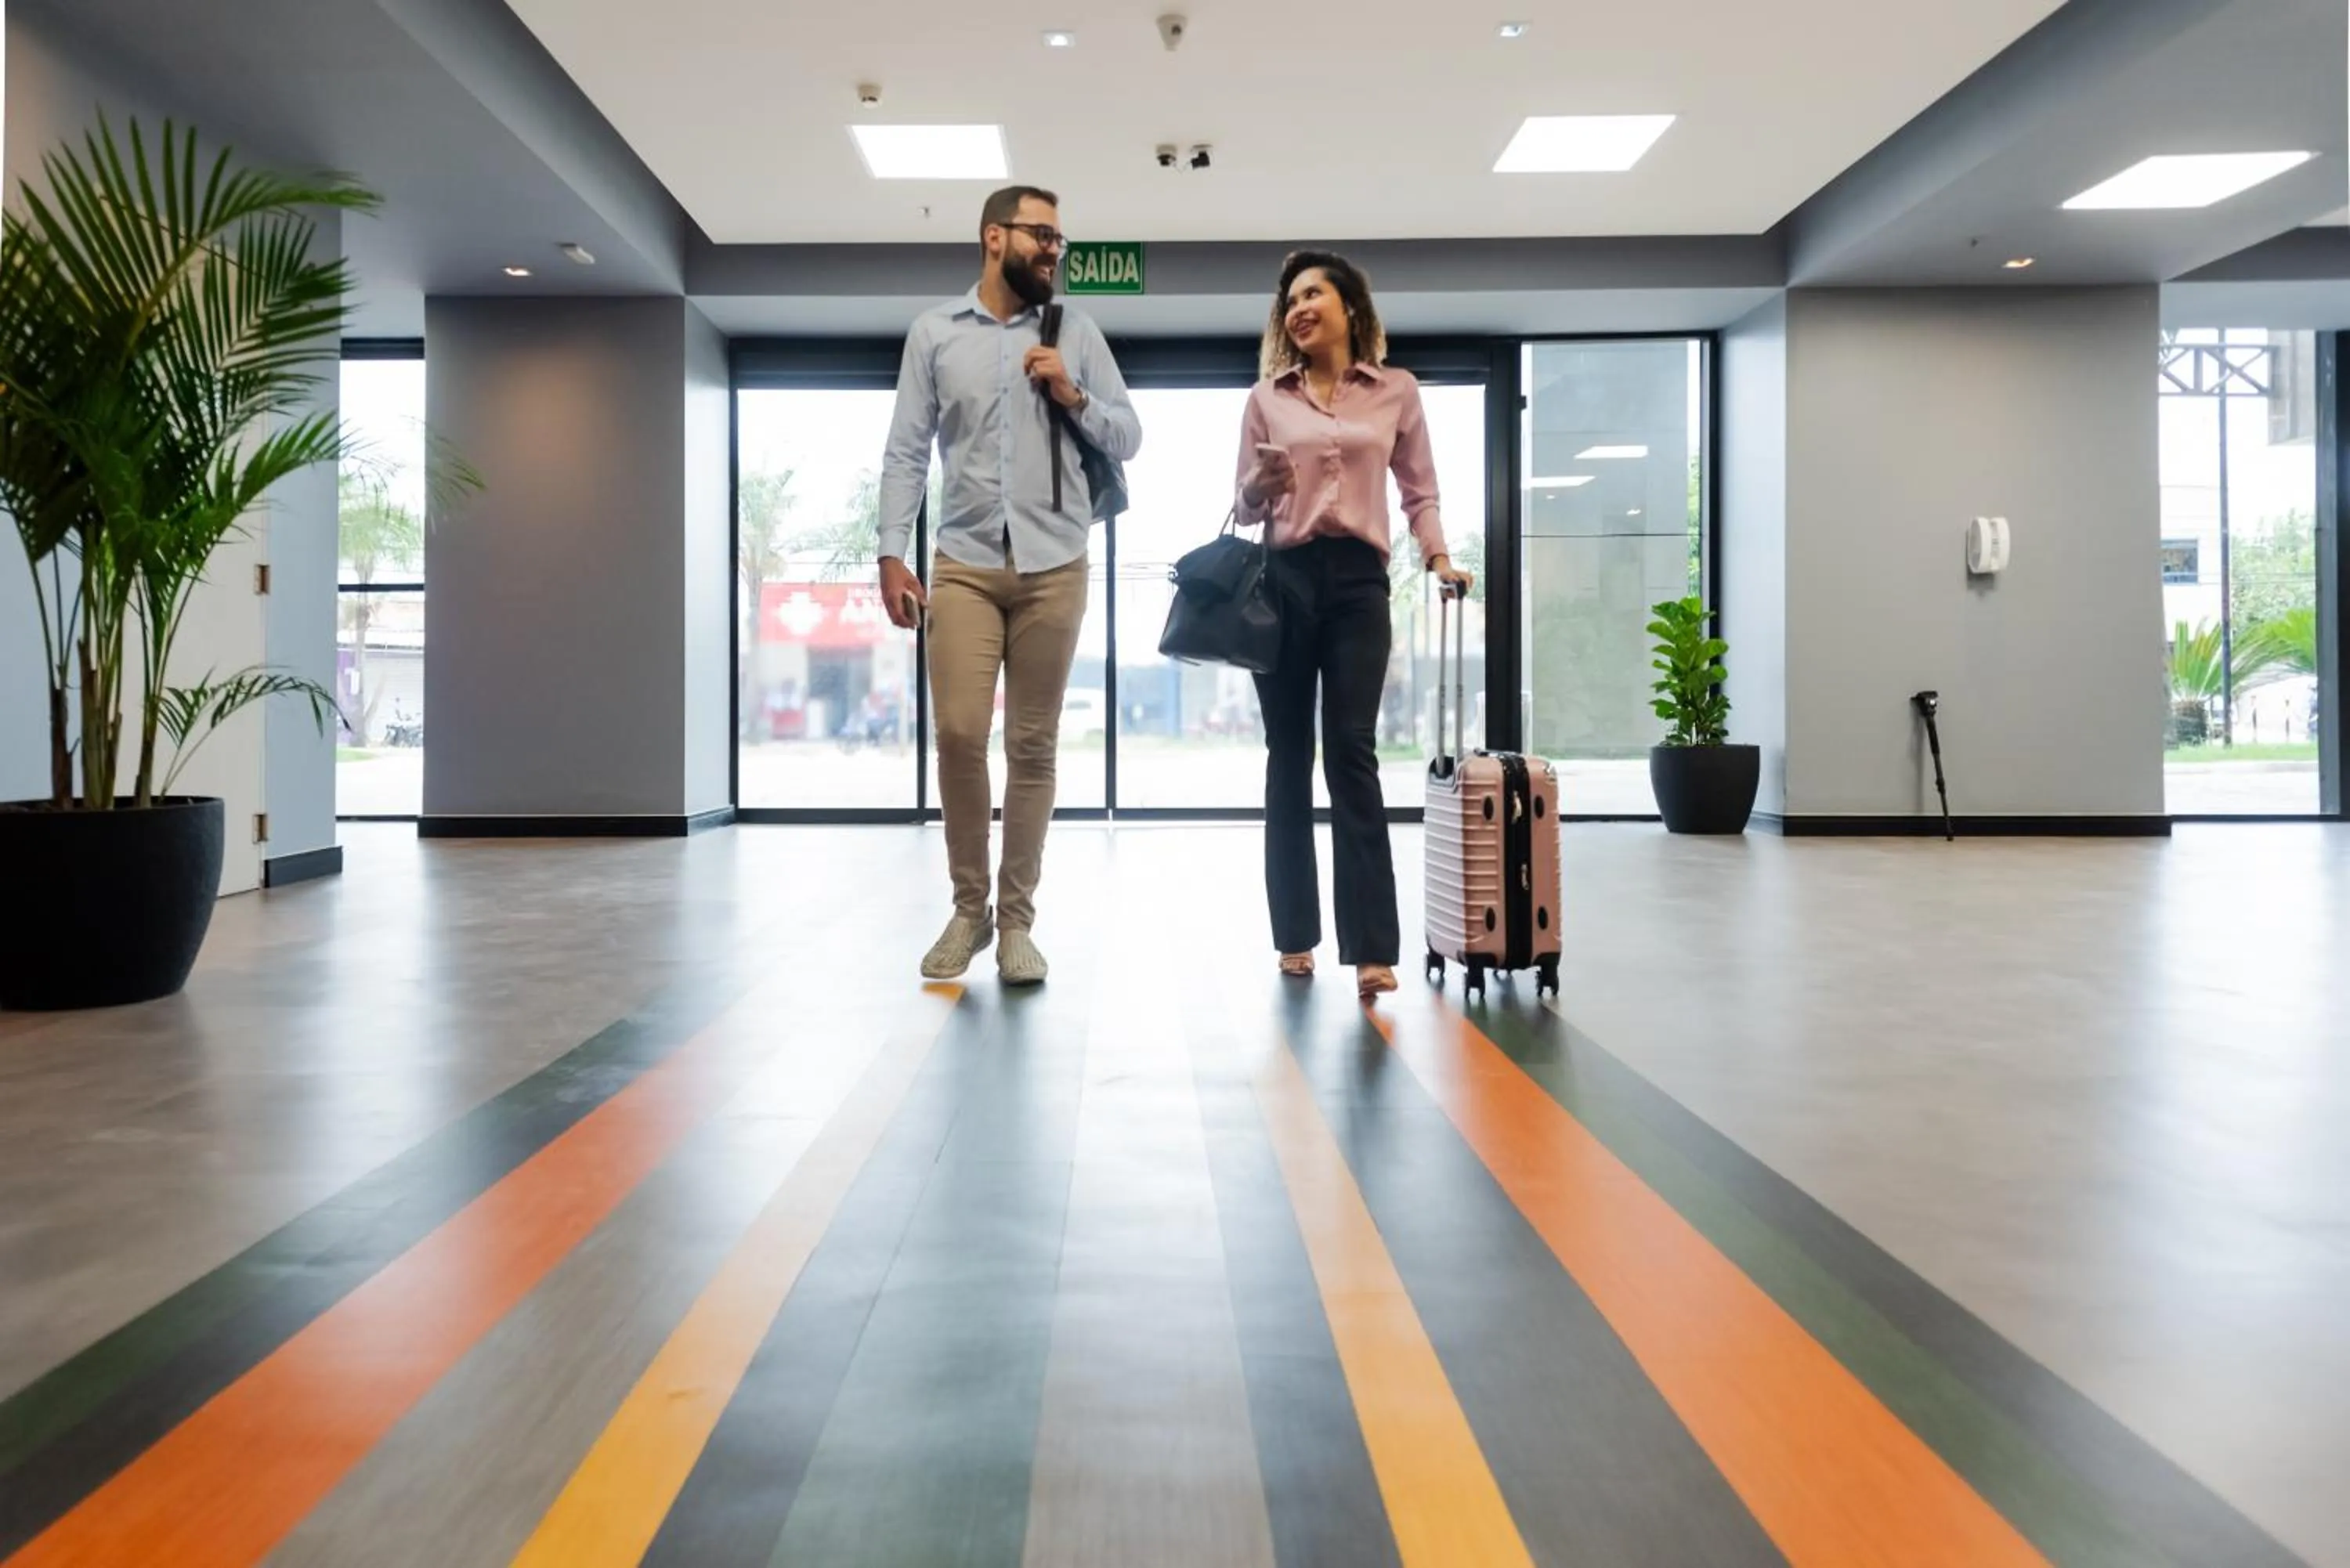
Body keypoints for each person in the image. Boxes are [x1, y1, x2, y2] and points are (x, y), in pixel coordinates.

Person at [877, 186, 1141, 985]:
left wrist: (1074, 392)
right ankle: (970, 909)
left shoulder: (1077, 332)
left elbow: (1129, 435)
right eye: (1042, 236)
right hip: (962, 561)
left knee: (1032, 745)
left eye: (1060, 239)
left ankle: (1018, 920)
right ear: (995, 238)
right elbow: (906, 450)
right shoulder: (934, 334)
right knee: (958, 732)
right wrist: (894, 550)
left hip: (1055, 564)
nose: (1055, 251)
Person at [1235, 252, 1473, 1002]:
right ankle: (1294, 937)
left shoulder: (1395, 391)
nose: (1300, 307)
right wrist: (1258, 486)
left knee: (1352, 752)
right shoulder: (1265, 398)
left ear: (1348, 306)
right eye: (1291, 300)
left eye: (1314, 294)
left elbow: (1419, 490)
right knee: (1287, 758)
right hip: (1283, 580)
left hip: (1359, 584)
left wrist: (1439, 557)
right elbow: (1242, 506)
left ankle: (1373, 946)